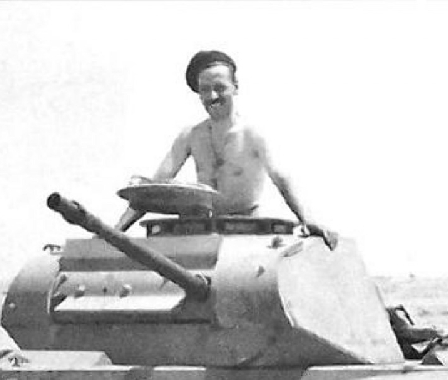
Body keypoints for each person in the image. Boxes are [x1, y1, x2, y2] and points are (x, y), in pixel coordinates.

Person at [115, 50, 337, 249]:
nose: (212, 97)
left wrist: (307, 219)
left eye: (220, 88)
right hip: (201, 231)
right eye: (205, 90)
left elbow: (280, 177)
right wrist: (116, 231)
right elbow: (155, 187)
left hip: (247, 230)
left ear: (235, 87)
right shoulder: (190, 136)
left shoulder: (253, 134)